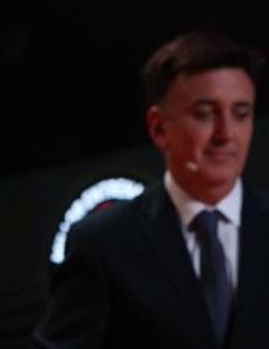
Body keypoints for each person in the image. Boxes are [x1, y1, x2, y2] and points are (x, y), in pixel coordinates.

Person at [33, 31, 268, 348]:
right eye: (204, 114)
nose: (226, 134)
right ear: (159, 128)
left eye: (241, 114)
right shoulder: (102, 245)